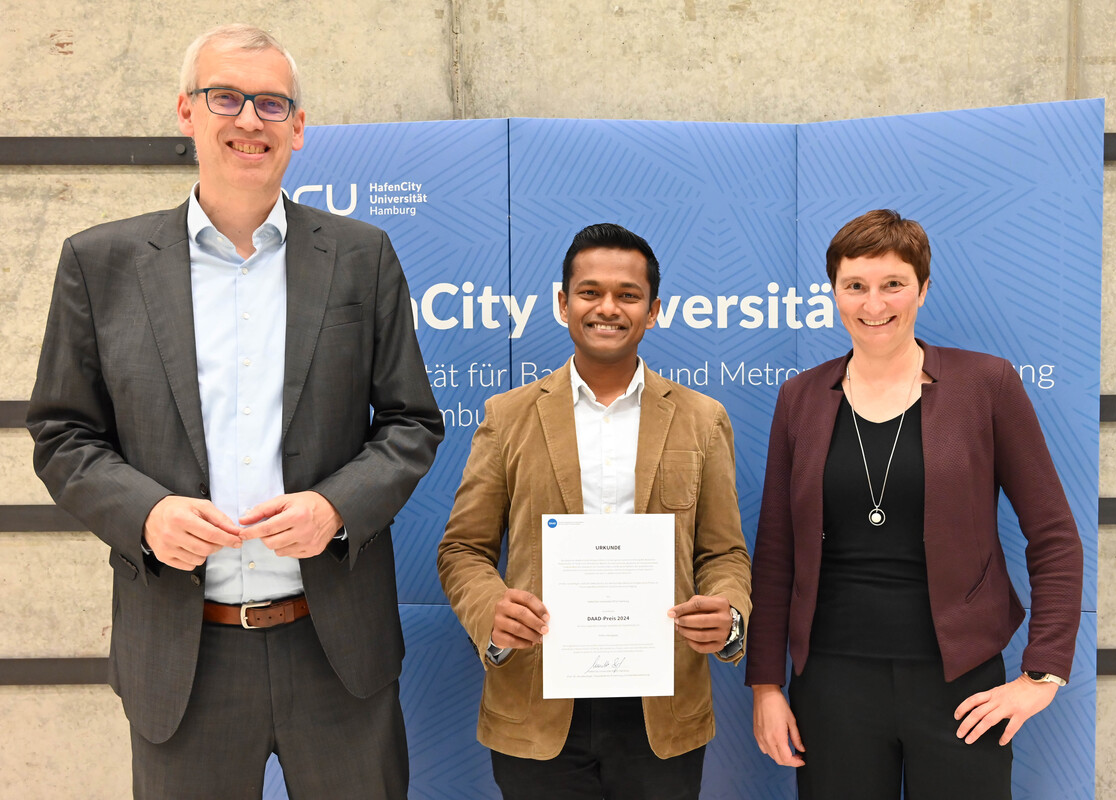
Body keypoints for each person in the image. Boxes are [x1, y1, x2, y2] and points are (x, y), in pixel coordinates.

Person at [26, 24, 443, 799]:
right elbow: (61, 435)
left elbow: (411, 422)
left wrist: (335, 507)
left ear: (299, 126)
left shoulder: (361, 256)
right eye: (226, 97)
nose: (250, 119)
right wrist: (147, 515)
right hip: (183, 660)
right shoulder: (101, 263)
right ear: (186, 112)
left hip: (335, 652)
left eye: (272, 103)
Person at [744, 209, 1084, 799]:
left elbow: (1053, 534)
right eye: (855, 287)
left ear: (923, 289)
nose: (874, 304)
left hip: (960, 684)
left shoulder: (987, 385)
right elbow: (776, 552)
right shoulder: (801, 397)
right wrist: (767, 687)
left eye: (893, 284)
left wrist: (1044, 672)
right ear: (834, 294)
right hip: (831, 682)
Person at [437, 223, 752, 800]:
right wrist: (492, 612)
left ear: (653, 310)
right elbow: (463, 550)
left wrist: (729, 615)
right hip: (536, 705)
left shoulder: (703, 419)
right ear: (563, 303)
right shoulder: (507, 417)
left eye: (628, 295)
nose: (608, 307)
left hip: (663, 710)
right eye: (589, 292)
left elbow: (724, 552)